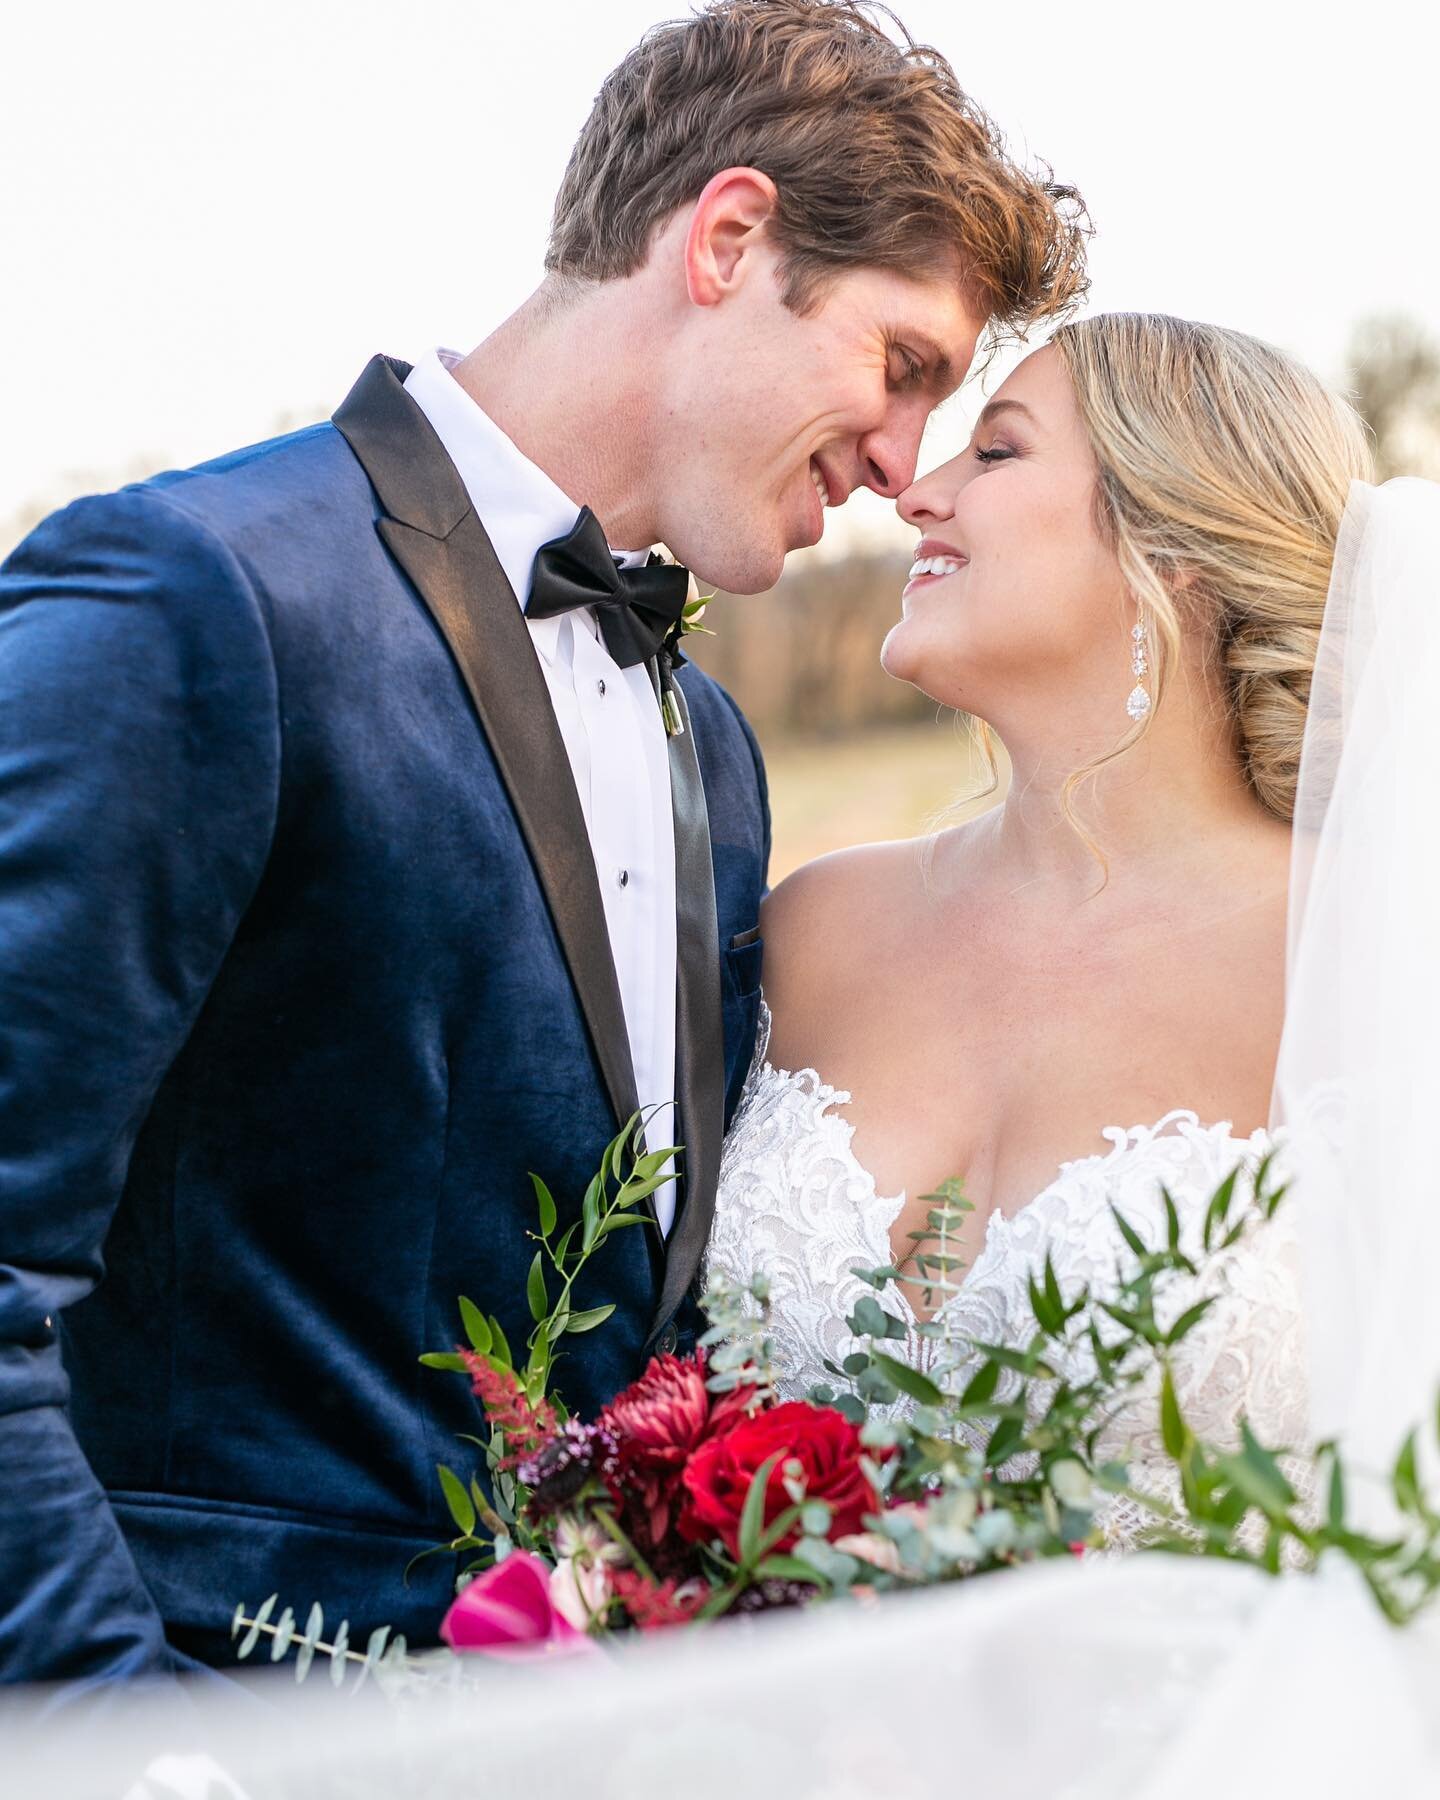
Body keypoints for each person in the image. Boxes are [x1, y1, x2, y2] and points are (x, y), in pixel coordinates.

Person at [0, 0, 1085, 1683]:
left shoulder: (712, 753)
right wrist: (121, 1740)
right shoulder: (199, 598)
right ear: (729, 239)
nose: (899, 465)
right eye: (903, 367)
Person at [708, 313, 1371, 1529]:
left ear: (1175, 547)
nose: (915, 492)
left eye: (997, 453)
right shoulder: (812, 928)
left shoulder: (1371, 947)